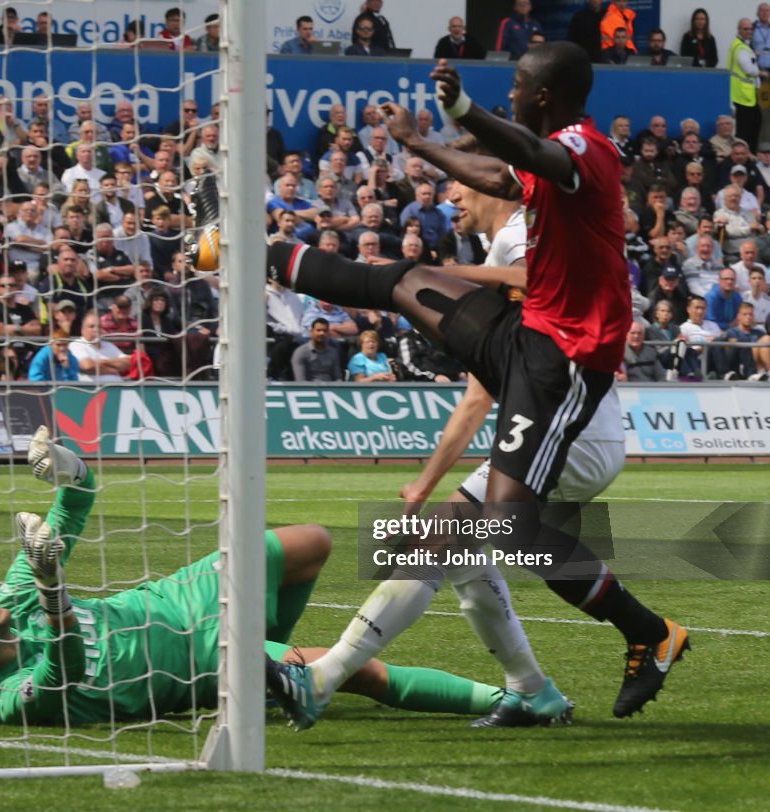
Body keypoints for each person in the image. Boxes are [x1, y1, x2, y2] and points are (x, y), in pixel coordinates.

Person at [247, 44, 688, 720]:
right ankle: (259, 252)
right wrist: (422, 142)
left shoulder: (585, 152)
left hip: (562, 368)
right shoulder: (543, 167)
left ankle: (648, 632)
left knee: (505, 529)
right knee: (403, 282)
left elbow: (523, 165)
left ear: (542, 96)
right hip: (529, 343)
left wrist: (459, 110)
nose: (457, 194)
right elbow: (506, 172)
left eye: (516, 84)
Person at [265, 145, 629, 730]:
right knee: (458, 552)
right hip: (577, 433)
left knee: (440, 543)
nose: (451, 195)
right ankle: (533, 691)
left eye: (458, 183)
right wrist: (426, 480)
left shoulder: (519, 235)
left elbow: (542, 281)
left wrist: (435, 278)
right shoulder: (507, 239)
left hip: (573, 434)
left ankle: (323, 679)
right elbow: (481, 392)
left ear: (496, 186)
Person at [0, 428, 504, 725]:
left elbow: (74, 508)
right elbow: (70, 670)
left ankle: (274, 659)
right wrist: (55, 592)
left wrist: (71, 470)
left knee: (310, 543)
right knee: (359, 670)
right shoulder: (7, 702)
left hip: (177, 596)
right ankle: (509, 700)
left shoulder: (9, 601)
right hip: (198, 657)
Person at [728, 18, 767, 153]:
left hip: (746, 96)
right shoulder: (740, 47)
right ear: (739, 30)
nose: (749, 31)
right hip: (742, 96)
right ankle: (747, 156)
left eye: (751, 29)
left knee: (754, 123)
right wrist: (761, 72)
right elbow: (748, 69)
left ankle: (749, 155)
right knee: (746, 132)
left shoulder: (743, 46)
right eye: (745, 29)